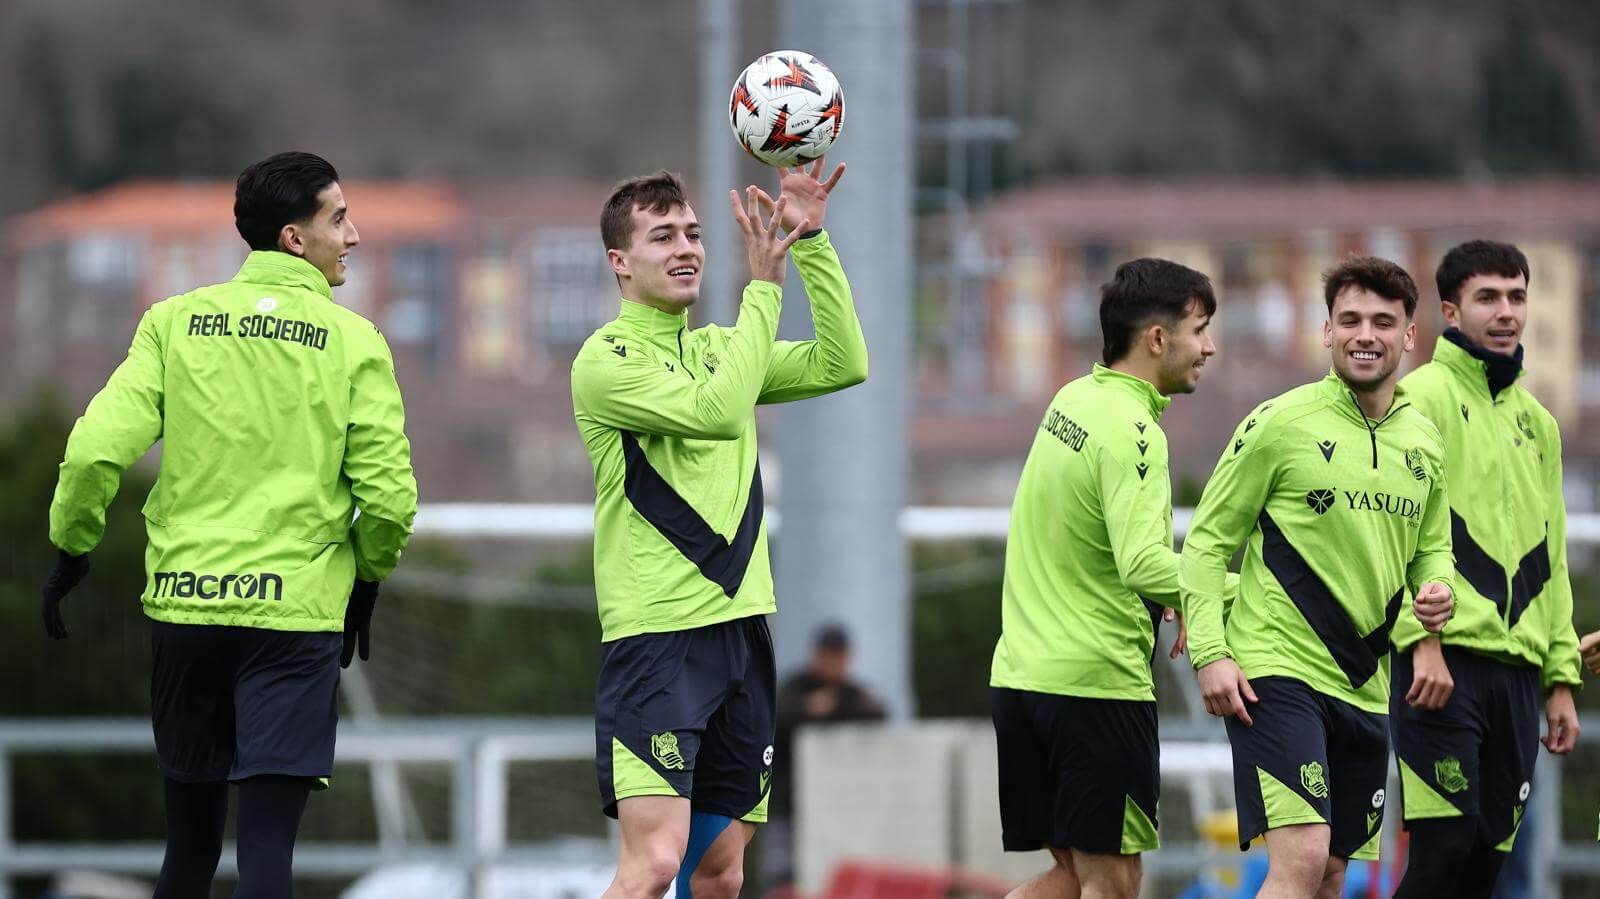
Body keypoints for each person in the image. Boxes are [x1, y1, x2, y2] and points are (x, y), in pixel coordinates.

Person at [39, 151, 418, 898]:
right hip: (292, 619)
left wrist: (72, 546)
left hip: (186, 608)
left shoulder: (172, 323)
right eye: (338, 219)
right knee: (267, 853)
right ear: (292, 238)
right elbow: (390, 500)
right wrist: (367, 576)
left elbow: (90, 453)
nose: (355, 235)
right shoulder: (355, 343)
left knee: (187, 851)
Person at [570, 160, 866, 899]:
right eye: (662, 235)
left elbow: (844, 360)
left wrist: (813, 243)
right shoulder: (605, 361)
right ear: (620, 262)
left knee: (722, 870)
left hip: (742, 635)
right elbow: (718, 413)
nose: (686, 248)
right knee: (654, 863)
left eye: (694, 234)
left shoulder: (717, 350)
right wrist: (764, 288)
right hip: (657, 641)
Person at [1180, 256, 1455, 899]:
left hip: (1365, 682)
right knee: (1300, 862)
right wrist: (1213, 656)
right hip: (1277, 669)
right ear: (1327, 330)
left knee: (1333, 874)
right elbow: (1206, 543)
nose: (1367, 333)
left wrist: (1438, 591)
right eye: (1350, 319)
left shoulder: (1426, 441)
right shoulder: (1280, 423)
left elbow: (1433, 551)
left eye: (1384, 322)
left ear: (1409, 336)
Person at [989, 258, 1227, 899]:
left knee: (1075, 876)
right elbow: (1145, 562)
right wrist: (1233, 593)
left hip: (1022, 679)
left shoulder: (1074, 398)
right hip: (1093, 690)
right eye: (1200, 329)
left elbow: (1093, 543)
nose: (1209, 346)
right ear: (1157, 339)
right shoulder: (1137, 431)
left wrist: (1167, 598)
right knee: (1115, 883)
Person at [1384, 240, 1581, 899]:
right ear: (1450, 309)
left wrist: (1560, 677)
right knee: (1442, 852)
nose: (1506, 311)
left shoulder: (1541, 425)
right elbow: (1397, 533)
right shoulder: (1419, 398)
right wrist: (1423, 641)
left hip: (1520, 677)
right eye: (1487, 297)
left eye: (1517, 296)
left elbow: (1551, 557)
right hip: (1443, 668)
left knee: (1486, 867)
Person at [766, 623, 887, 885]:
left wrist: (831, 708)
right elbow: (778, 719)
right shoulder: (795, 687)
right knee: (780, 878)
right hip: (788, 804)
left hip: (835, 806)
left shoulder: (851, 693)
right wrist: (809, 710)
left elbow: (878, 713)